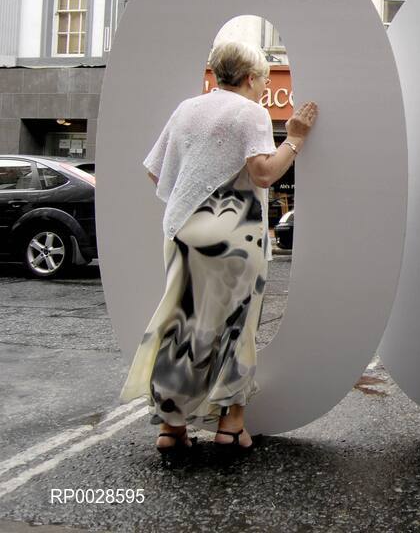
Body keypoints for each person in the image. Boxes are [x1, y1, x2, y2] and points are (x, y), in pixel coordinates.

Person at [120, 41, 318, 458]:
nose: (265, 87)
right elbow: (263, 174)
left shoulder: (186, 109)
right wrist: (295, 139)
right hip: (234, 235)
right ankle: (230, 425)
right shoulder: (252, 112)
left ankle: (171, 428)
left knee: (183, 327)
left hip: (181, 230)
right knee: (235, 326)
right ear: (249, 79)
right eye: (264, 79)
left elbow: (156, 172)